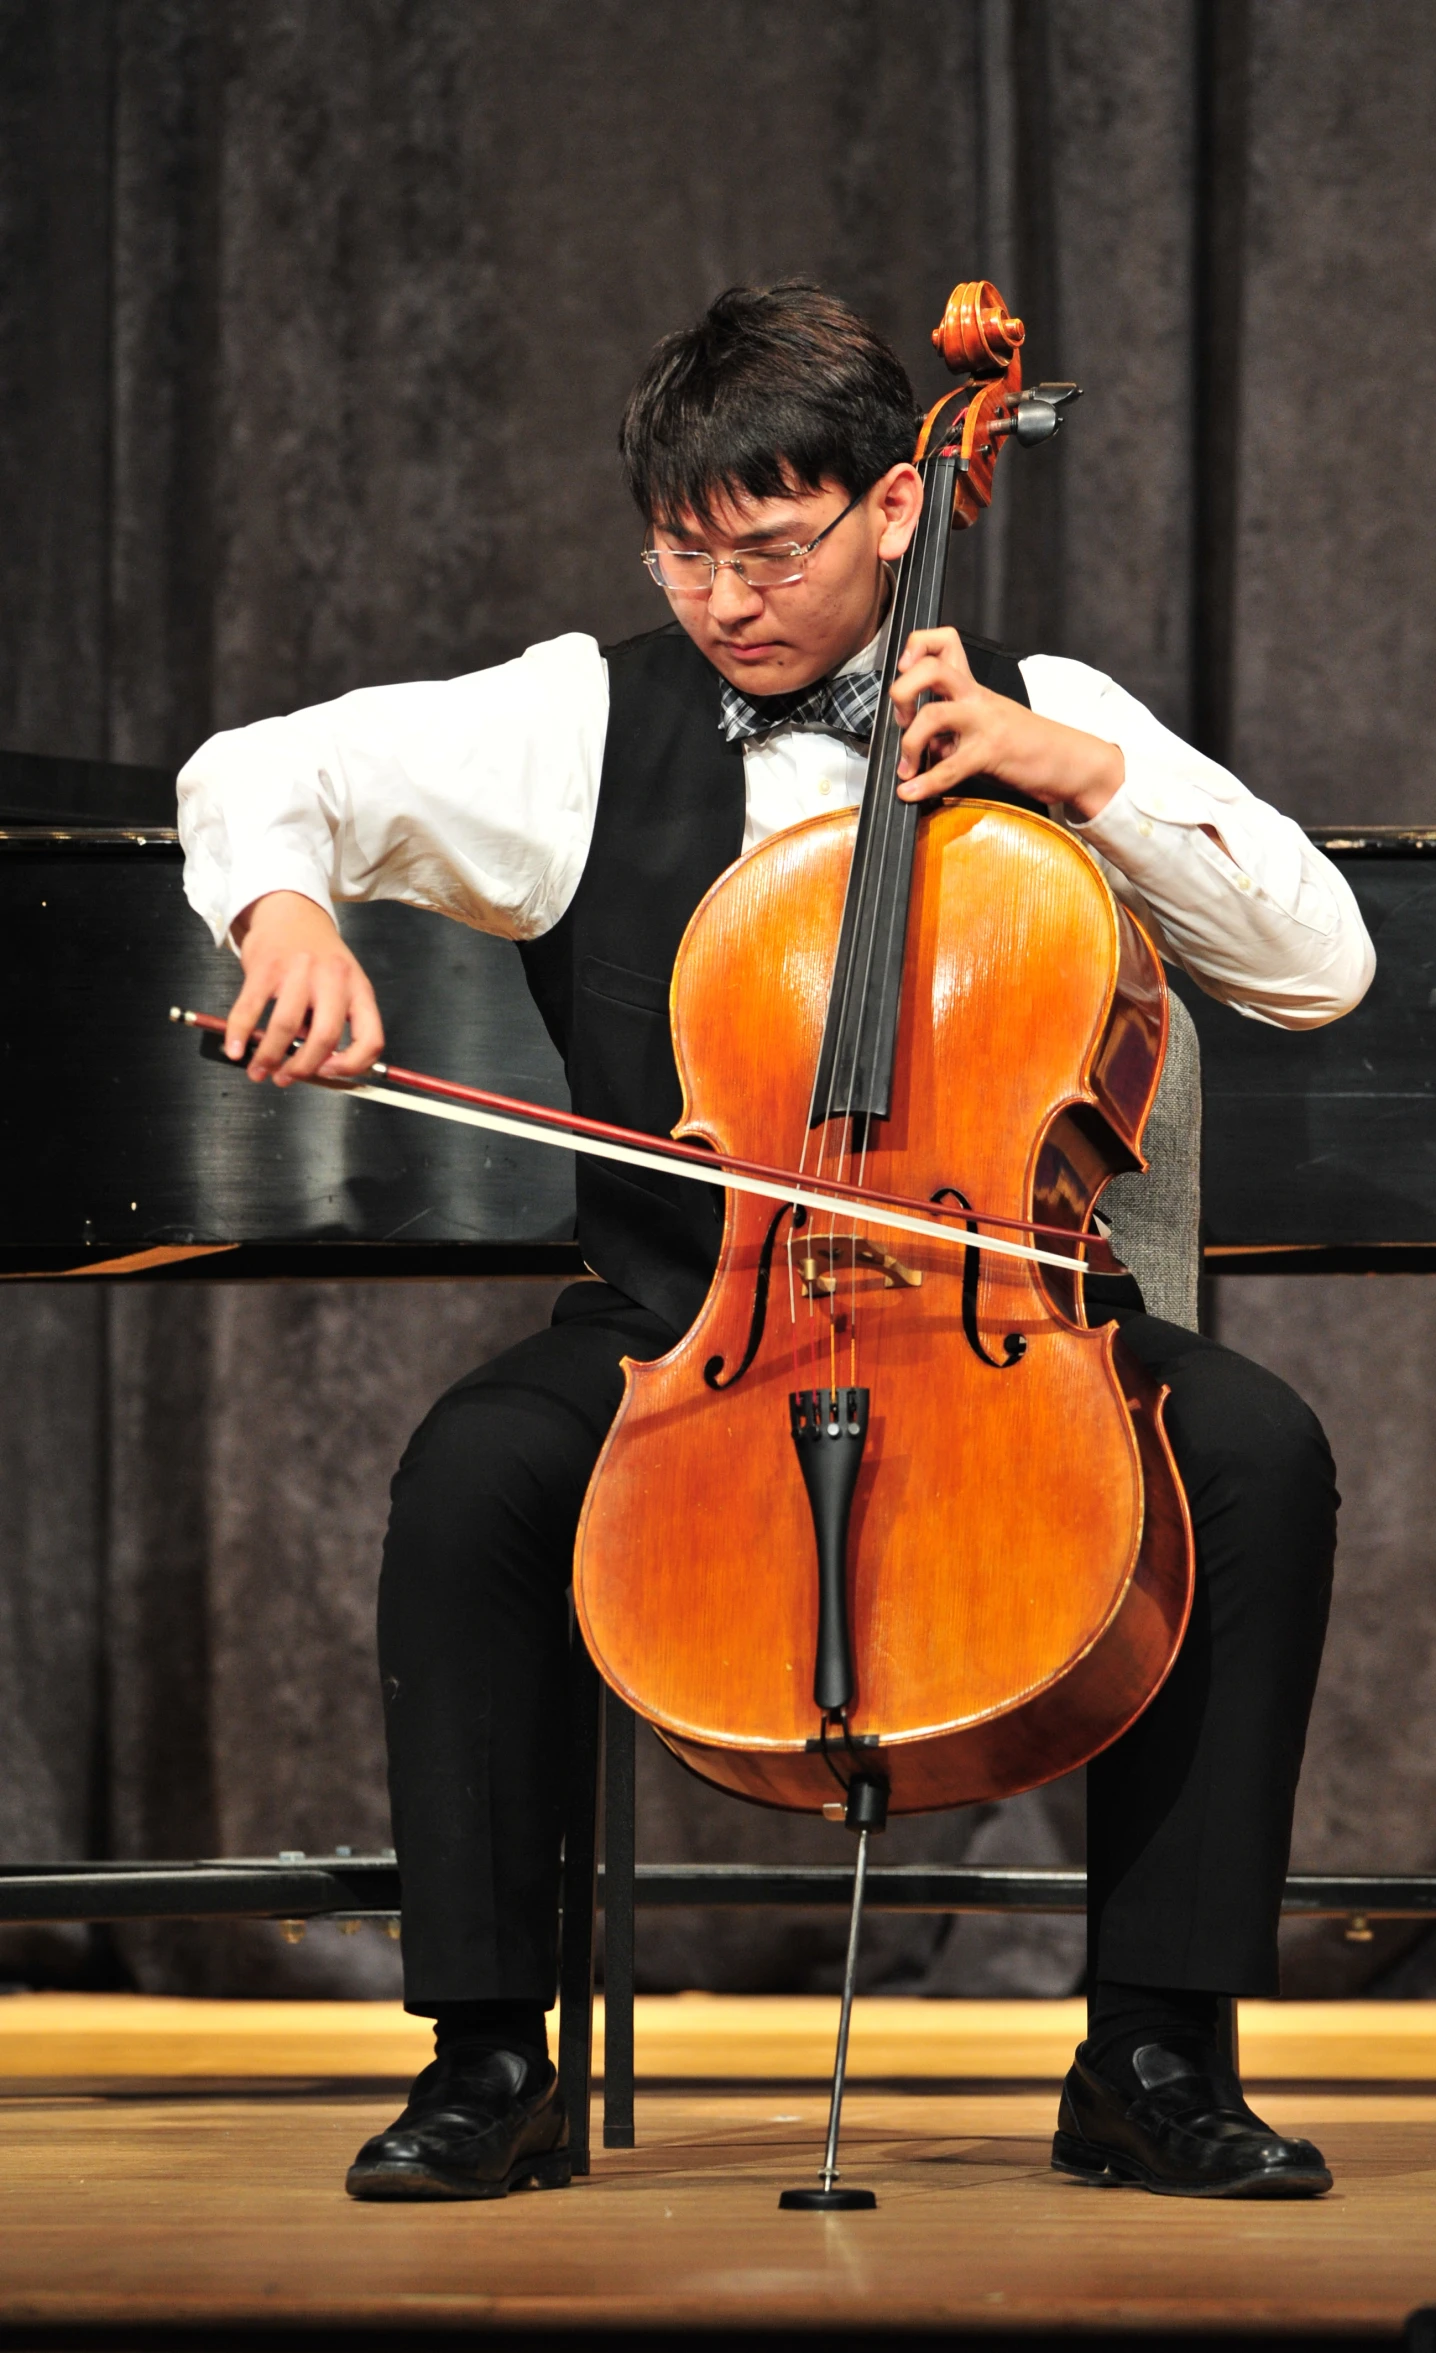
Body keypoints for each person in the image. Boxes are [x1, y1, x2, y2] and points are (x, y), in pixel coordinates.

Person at [179, 282, 1374, 2204]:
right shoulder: (582, 717)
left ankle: (1155, 2048)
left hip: (1010, 1303)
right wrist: (283, 921)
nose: (721, 602)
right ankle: (490, 2058)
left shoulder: (1053, 714)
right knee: (474, 1474)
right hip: (691, 1314)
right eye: (682, 553)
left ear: (899, 511)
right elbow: (260, 769)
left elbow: (1323, 968)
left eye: (767, 551)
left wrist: (1084, 781)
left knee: (1249, 1457)